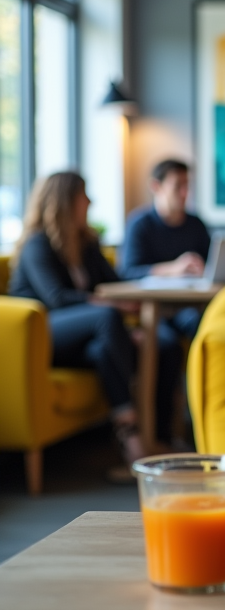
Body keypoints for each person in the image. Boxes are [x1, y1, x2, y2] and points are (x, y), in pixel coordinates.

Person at [8, 172, 186, 465]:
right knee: (106, 316)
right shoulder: (37, 245)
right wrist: (112, 308)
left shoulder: (86, 243)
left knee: (161, 344)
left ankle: (154, 438)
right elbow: (57, 298)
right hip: (41, 335)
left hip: (89, 337)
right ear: (65, 201)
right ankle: (132, 424)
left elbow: (115, 283)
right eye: (83, 195)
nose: (90, 201)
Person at [120, 159, 211, 339]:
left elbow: (213, 263)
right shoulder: (139, 224)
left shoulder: (196, 224)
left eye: (187, 186)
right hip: (154, 309)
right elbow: (128, 272)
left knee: (204, 320)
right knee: (168, 343)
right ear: (156, 186)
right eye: (178, 186)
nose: (185, 193)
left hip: (192, 304)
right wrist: (173, 269)